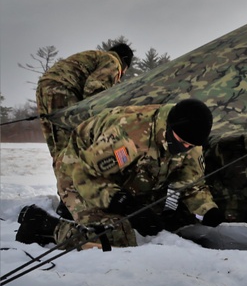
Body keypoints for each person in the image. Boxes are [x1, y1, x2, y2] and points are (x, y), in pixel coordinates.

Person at [16, 99, 225, 249]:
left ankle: (83, 212)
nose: (186, 148)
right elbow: (85, 174)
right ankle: (43, 224)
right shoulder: (130, 135)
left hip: (128, 177)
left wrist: (207, 210)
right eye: (182, 143)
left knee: (159, 224)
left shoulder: (189, 143)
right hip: (80, 171)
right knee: (116, 240)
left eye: (191, 146)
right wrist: (122, 202)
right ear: (169, 129)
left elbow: (192, 184)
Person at [35, 43, 134, 163]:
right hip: (63, 89)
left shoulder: (96, 56)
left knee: (59, 148)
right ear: (124, 61)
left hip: (44, 87)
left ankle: (66, 179)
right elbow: (94, 90)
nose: (121, 75)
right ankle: (76, 179)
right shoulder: (113, 61)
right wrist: (102, 121)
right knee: (73, 144)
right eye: (124, 71)